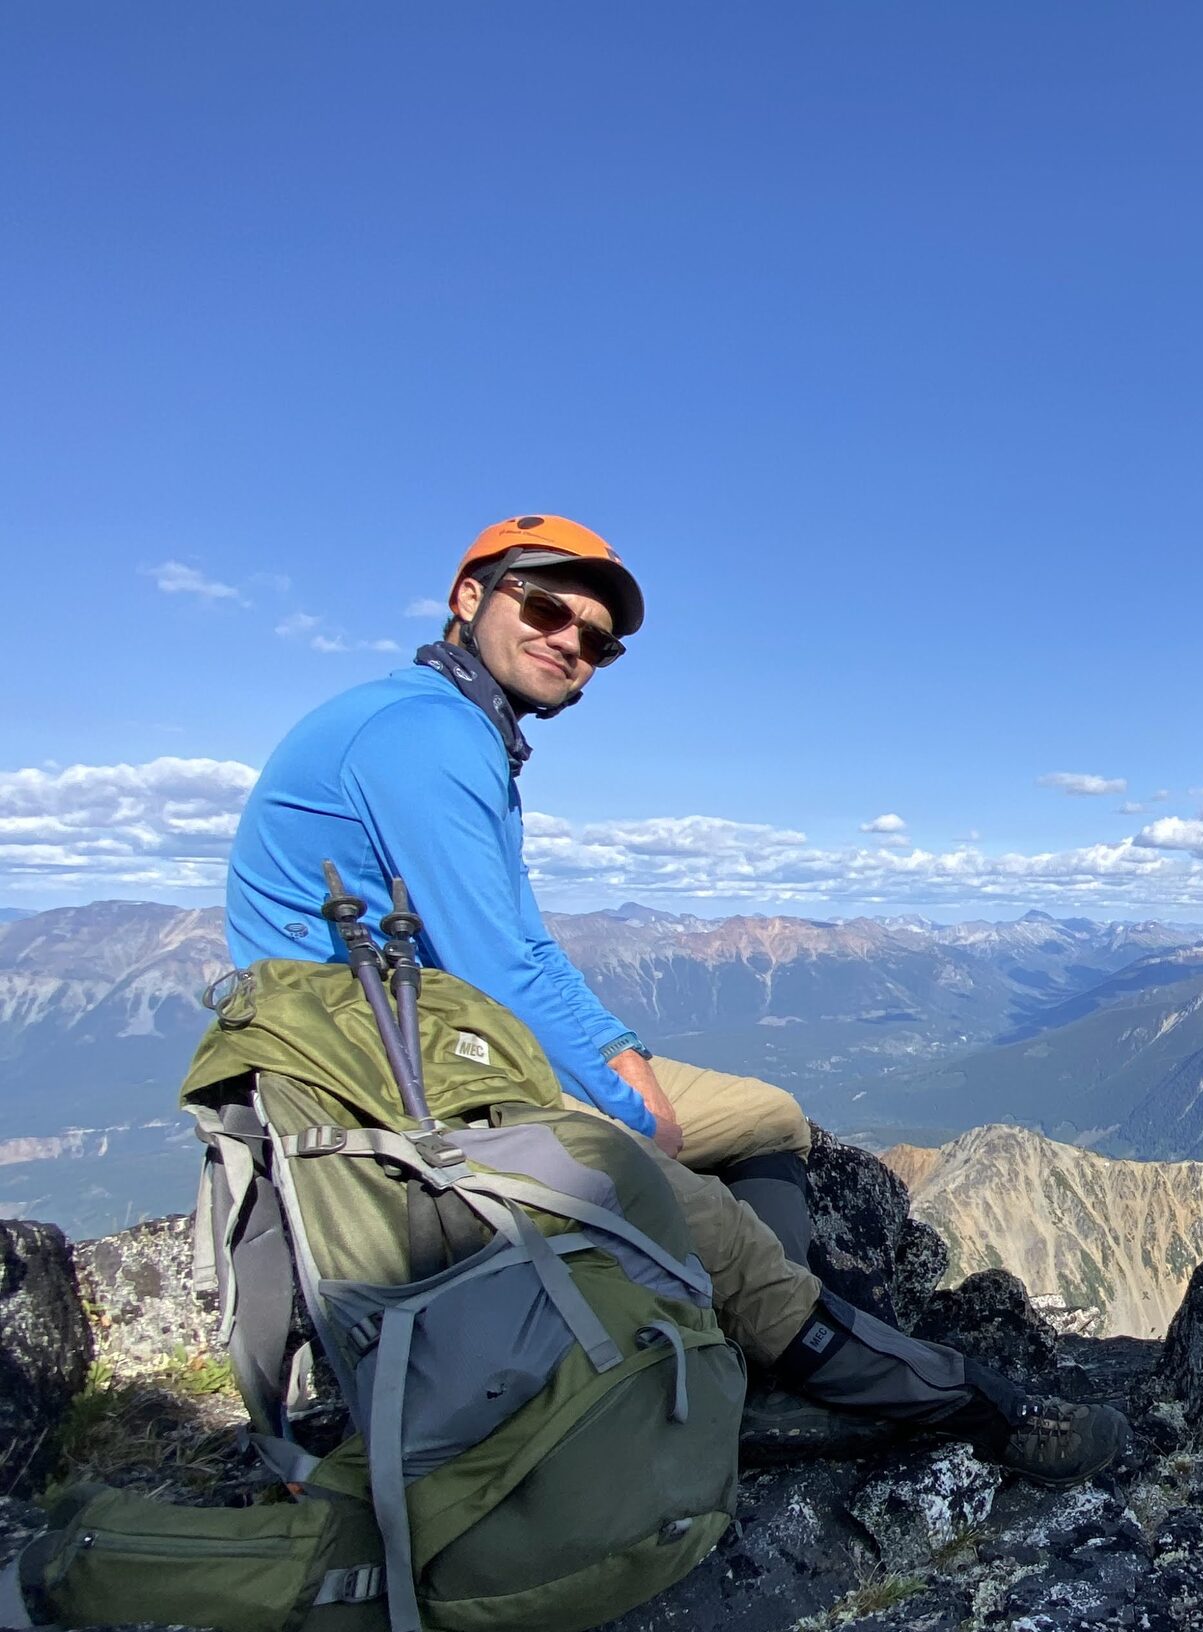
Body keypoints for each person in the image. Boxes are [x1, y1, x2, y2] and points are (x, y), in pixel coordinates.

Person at [225, 514, 1127, 1484]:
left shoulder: (460, 734)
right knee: (708, 1219)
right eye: (545, 608)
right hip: (387, 1082)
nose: (571, 642)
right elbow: (493, 966)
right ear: (468, 597)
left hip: (451, 1048)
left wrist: (620, 1054)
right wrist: (625, 1109)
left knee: (770, 1118)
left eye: (597, 640)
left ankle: (754, 1347)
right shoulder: (420, 735)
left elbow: (521, 943)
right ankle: (976, 1410)